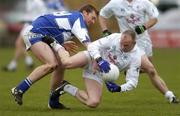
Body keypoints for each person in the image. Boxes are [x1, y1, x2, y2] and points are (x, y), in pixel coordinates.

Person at [46, 30, 178, 109]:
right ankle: (56, 45)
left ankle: (65, 87)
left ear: (134, 44)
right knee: (66, 63)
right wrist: (99, 60)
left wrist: (120, 88)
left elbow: (132, 82)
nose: (121, 45)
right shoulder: (115, 37)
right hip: (91, 58)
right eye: (121, 42)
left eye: (125, 45)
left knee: (93, 103)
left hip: (96, 74)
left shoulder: (136, 57)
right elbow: (92, 46)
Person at [11, 4, 99, 109]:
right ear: (85, 13)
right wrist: (100, 59)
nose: (93, 22)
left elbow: (54, 26)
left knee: (61, 64)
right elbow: (89, 45)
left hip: (42, 33)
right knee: (51, 64)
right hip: (35, 33)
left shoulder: (74, 16)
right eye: (92, 18)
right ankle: (19, 89)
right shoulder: (78, 21)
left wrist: (60, 42)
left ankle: (53, 101)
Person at [98, 0, 179, 103]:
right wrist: (105, 30)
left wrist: (144, 26)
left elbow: (154, 18)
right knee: (151, 69)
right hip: (127, 44)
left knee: (149, 70)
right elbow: (102, 14)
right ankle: (170, 95)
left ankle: (132, 69)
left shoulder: (144, 2)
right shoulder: (115, 3)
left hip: (144, 41)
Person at [2, 0, 67, 72]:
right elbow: (30, 14)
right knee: (19, 44)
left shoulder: (37, 2)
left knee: (19, 43)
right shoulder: (31, 1)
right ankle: (21, 62)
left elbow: (41, 14)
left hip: (32, 25)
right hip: (28, 24)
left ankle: (17, 63)